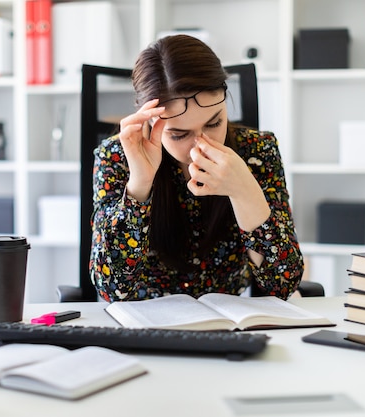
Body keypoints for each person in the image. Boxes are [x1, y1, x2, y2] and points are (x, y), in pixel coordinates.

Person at [89, 34, 303, 302]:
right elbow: (111, 288)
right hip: (148, 324)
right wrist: (139, 185)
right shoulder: (118, 157)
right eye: (179, 134)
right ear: (147, 119)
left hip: (231, 320)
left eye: (214, 124)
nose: (200, 145)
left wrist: (245, 191)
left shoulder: (258, 152)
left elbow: (284, 285)